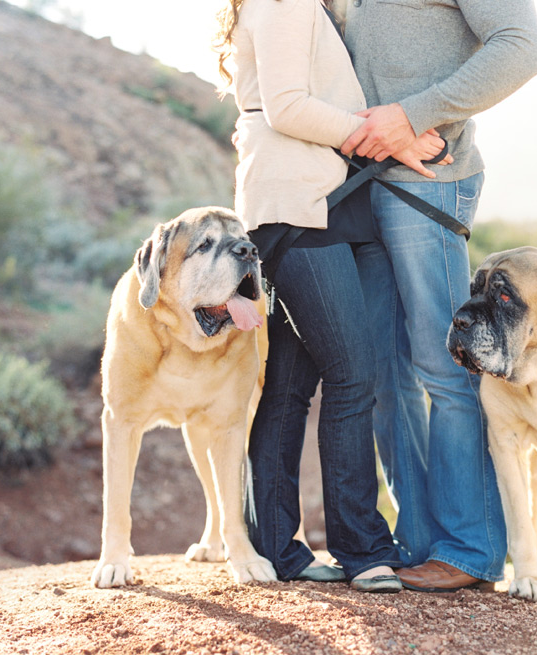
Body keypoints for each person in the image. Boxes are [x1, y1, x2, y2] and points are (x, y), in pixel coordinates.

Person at [213, 0, 450, 592]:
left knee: (292, 386)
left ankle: (276, 547)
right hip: (295, 205)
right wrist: (388, 140)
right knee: (351, 374)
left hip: (326, 202)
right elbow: (288, 106)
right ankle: (362, 548)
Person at [338, 0, 537, 592]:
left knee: (447, 366)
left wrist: (413, 114)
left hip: (428, 186)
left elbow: (521, 46)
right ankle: (422, 539)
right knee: (381, 374)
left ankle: (470, 548)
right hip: (357, 186)